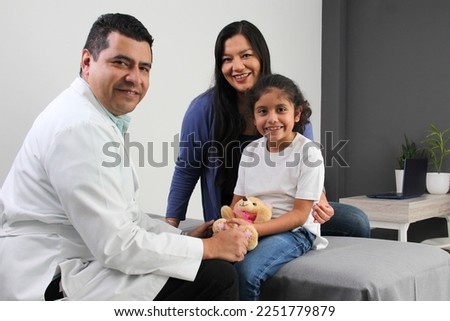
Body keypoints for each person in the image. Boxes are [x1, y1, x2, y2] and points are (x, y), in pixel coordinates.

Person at [0, 13, 249, 301]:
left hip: (78, 259)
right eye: (120, 62)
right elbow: (118, 244)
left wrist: (182, 238)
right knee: (216, 277)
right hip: (48, 278)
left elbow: (127, 217)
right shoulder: (80, 127)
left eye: (144, 67)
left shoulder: (94, 117)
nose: (135, 77)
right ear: (86, 61)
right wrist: (209, 248)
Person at [165, 20, 370, 238]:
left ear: (261, 57)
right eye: (227, 59)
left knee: (355, 221)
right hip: (239, 213)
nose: (237, 67)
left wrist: (321, 199)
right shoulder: (203, 110)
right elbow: (187, 169)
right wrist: (169, 228)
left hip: (288, 212)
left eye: (246, 55)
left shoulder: (289, 106)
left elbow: (308, 165)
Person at [232, 73, 326, 300]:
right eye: (263, 111)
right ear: (254, 118)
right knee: (215, 267)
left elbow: (300, 216)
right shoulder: (250, 151)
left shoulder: (309, 153)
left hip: (295, 232)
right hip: (256, 225)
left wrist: (253, 230)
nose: (272, 118)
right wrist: (230, 224)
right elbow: (237, 202)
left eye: (281, 109)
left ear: (297, 114)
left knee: (245, 273)